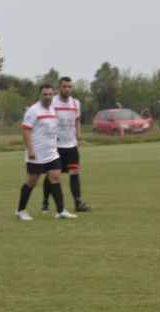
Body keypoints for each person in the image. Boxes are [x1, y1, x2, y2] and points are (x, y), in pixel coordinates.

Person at [15, 84, 77, 221]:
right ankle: (20, 210)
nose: (48, 97)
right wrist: (30, 149)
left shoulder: (52, 110)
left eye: (50, 94)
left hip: (51, 153)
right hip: (36, 153)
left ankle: (60, 211)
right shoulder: (33, 110)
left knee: (55, 178)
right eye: (45, 94)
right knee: (31, 182)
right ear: (40, 95)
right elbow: (25, 130)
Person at [42, 77, 92, 213]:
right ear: (59, 88)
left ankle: (78, 203)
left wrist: (78, 138)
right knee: (53, 175)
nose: (67, 89)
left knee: (74, 172)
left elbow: (77, 122)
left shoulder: (76, 103)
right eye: (64, 86)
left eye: (69, 86)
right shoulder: (53, 102)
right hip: (56, 146)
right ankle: (45, 202)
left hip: (71, 145)